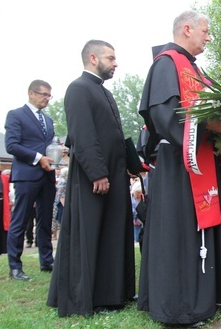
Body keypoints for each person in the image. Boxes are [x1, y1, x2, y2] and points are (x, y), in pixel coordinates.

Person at [137, 11, 221, 327]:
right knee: (179, 233)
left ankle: (206, 295)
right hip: (178, 165)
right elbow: (164, 116)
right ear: (187, 29)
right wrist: (211, 126)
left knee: (202, 228)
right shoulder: (168, 63)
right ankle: (179, 305)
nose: (208, 37)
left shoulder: (194, 69)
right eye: (205, 31)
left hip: (202, 159)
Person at [47, 40, 136, 317]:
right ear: (93, 58)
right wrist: (97, 172)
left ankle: (111, 293)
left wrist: (130, 164)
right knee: (90, 234)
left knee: (110, 232)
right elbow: (82, 135)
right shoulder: (78, 88)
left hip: (113, 173)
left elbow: (112, 135)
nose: (116, 63)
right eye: (111, 58)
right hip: (92, 177)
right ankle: (88, 296)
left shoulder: (103, 92)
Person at [5, 80, 57, 280]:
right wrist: (38, 158)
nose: (46, 99)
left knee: (45, 220)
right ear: (31, 93)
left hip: (47, 175)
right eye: (43, 94)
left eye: (49, 95)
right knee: (21, 220)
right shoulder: (16, 115)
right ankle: (15, 266)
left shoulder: (49, 120)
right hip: (27, 175)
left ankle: (47, 260)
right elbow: (11, 145)